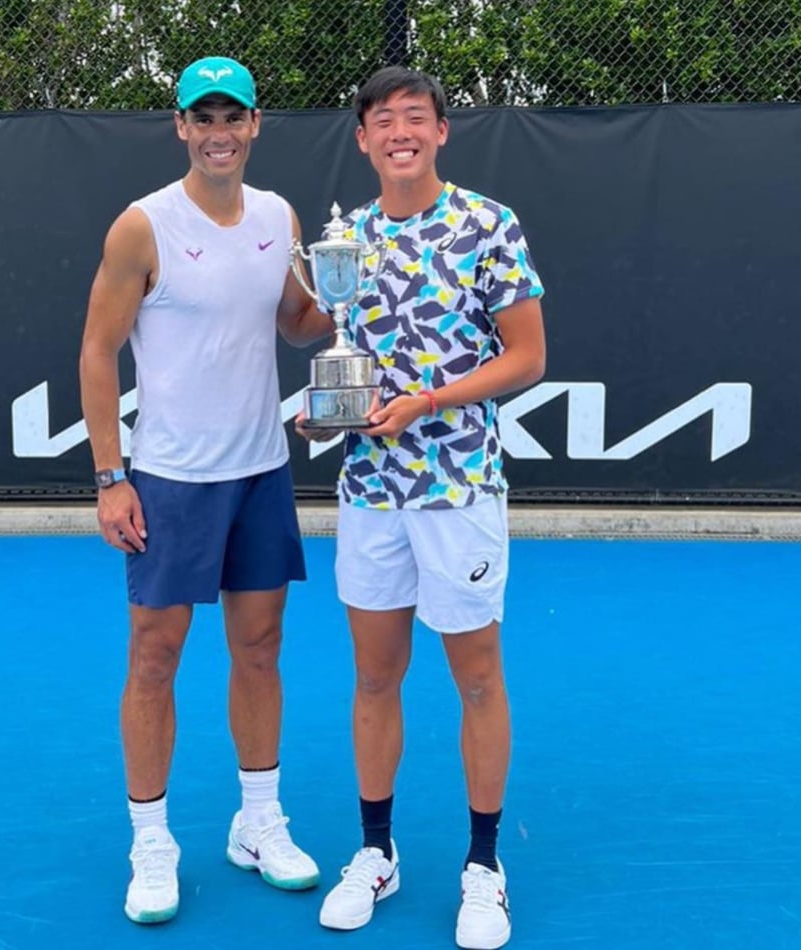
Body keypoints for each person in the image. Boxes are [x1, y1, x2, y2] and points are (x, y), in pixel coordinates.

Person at [79, 55, 332, 925]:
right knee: (155, 656)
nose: (219, 133)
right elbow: (96, 352)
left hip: (261, 472)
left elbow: (297, 323)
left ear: (256, 125)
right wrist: (112, 478)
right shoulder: (142, 227)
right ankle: (151, 840)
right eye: (204, 118)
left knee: (260, 649)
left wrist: (345, 297)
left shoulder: (279, 216)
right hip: (171, 480)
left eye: (235, 118)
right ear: (182, 127)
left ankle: (258, 822)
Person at [299, 66, 546, 949]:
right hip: (370, 494)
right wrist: (322, 409)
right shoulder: (347, 239)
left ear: (441, 132)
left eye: (416, 117)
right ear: (363, 140)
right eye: (381, 121)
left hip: (459, 490)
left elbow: (527, 358)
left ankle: (485, 865)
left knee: (476, 677)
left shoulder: (488, 224)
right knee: (373, 677)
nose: (399, 131)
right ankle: (376, 852)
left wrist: (429, 403)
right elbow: (346, 356)